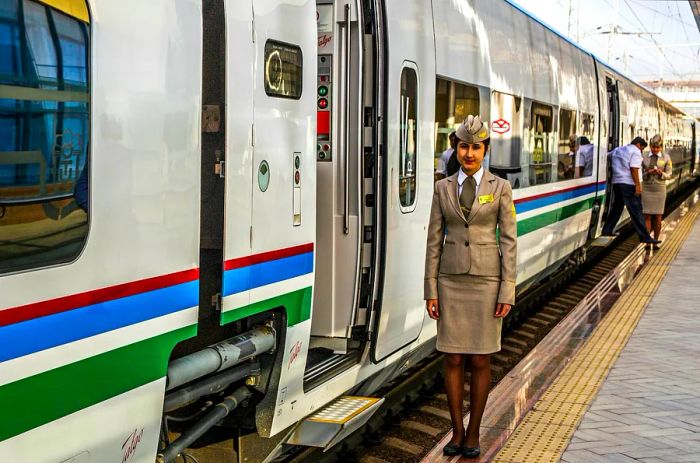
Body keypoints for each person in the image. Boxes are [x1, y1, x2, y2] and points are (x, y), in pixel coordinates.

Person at [424, 115, 517, 458]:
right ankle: (457, 431)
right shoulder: (442, 188)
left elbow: (509, 242)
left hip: (486, 282)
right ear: (456, 148)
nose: (469, 153)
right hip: (450, 281)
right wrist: (430, 289)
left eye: (476, 147)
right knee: (452, 357)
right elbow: (434, 240)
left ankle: (475, 432)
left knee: (480, 359)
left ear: (485, 150)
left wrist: (507, 289)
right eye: (464, 146)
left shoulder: (500, 188)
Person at [601, 137, 660, 245]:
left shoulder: (618, 150)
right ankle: (645, 236)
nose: (641, 151)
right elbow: (634, 169)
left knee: (617, 207)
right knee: (636, 211)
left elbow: (607, 156)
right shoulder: (636, 152)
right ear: (638, 145)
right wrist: (638, 185)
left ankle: (607, 230)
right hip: (628, 184)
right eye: (642, 148)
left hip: (616, 183)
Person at [642, 135, 672, 249]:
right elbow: (639, 173)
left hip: (659, 189)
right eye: (653, 147)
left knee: (658, 216)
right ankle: (647, 241)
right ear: (650, 146)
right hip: (647, 189)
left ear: (661, 147)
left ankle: (655, 240)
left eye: (657, 147)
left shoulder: (666, 157)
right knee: (647, 216)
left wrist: (661, 174)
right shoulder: (643, 156)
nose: (655, 149)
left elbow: (669, 174)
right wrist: (647, 173)